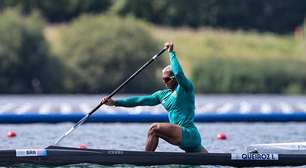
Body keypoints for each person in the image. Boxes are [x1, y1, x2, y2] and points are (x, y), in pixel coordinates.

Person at [102, 42, 208, 153]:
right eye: (163, 79)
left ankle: (145, 160)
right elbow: (139, 101)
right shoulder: (162, 95)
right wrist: (115, 102)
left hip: (188, 133)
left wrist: (171, 53)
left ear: (174, 78)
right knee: (209, 160)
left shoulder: (185, 88)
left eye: (167, 79)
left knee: (154, 128)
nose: (164, 82)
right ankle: (150, 159)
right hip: (181, 137)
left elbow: (179, 74)